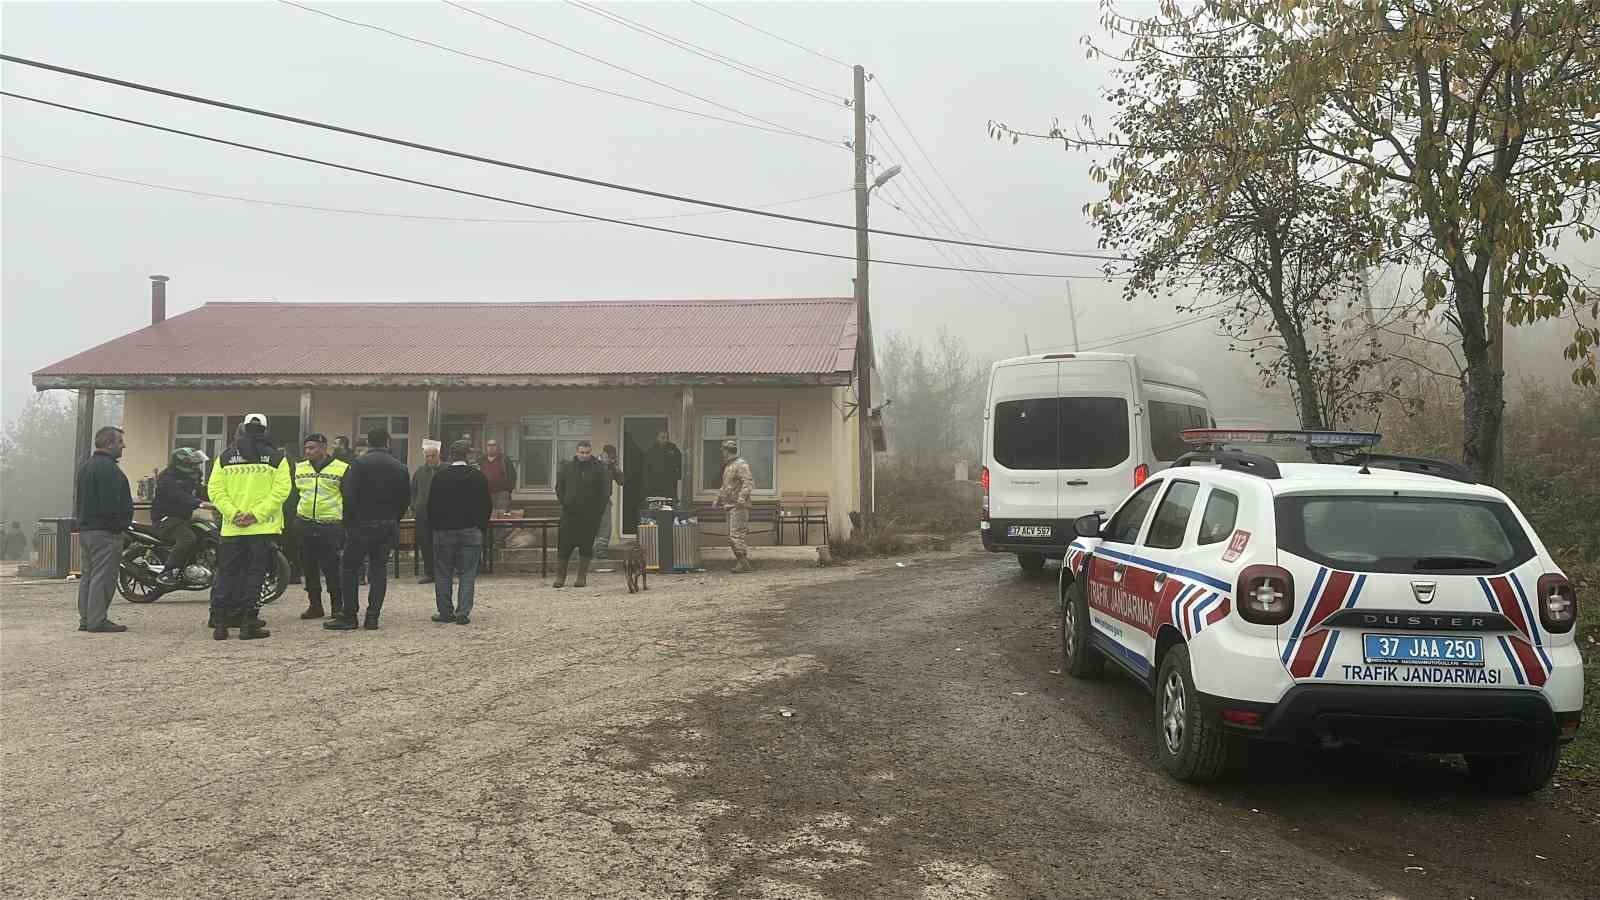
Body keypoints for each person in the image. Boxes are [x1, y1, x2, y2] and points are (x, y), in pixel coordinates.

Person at [208, 414, 292, 641]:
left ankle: (221, 625)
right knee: (256, 576)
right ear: (265, 430)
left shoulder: (225, 457)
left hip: (232, 530)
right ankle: (248, 624)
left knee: (227, 574)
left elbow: (215, 491)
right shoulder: (276, 457)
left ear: (243, 429)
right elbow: (282, 491)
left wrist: (233, 514)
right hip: (262, 529)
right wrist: (255, 515)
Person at [328, 426, 409, 631]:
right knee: (379, 570)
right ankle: (372, 617)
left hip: (360, 525)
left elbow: (348, 495)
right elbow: (405, 499)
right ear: (388, 442)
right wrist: (393, 519)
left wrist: (348, 523)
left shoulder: (357, 464)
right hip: (386, 524)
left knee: (349, 569)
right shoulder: (400, 467)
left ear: (368, 443)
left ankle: (350, 615)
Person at [75, 426, 133, 633]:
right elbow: (110, 504)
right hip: (105, 532)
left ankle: (86, 618)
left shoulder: (87, 466)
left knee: (89, 576)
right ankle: (97, 620)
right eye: (119, 442)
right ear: (109, 444)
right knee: (104, 577)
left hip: (87, 530)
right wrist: (119, 527)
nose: (123, 445)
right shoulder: (109, 469)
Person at [427, 439, 491, 625]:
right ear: (468, 455)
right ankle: (463, 611)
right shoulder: (478, 477)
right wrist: (480, 526)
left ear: (450, 455)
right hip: (471, 531)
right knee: (468, 573)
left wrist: (435, 527)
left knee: (443, 573)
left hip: (444, 532)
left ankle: (445, 612)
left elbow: (431, 506)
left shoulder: (440, 477)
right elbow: (486, 505)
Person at [292, 433, 349, 620]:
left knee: (332, 567)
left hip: (330, 525)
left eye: (312, 448)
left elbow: (348, 497)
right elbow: (293, 496)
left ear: (323, 449)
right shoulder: (299, 468)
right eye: (306, 448)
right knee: (308, 567)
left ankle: (336, 606)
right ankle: (315, 605)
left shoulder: (341, 468)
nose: (307, 452)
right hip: (305, 523)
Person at [552, 440, 609, 588]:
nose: (584, 455)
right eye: (582, 452)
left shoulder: (599, 469)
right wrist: (565, 502)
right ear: (576, 452)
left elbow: (605, 491)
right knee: (564, 545)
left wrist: (598, 512)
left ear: (591, 452)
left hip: (590, 516)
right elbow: (559, 487)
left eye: (587, 453)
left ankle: (581, 577)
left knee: (586, 546)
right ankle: (560, 577)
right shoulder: (567, 468)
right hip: (569, 514)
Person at [152, 447, 212, 587]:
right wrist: (200, 504)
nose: (196, 467)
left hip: (183, 519)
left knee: (205, 531)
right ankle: (168, 572)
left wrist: (222, 497)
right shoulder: (167, 478)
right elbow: (180, 496)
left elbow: (202, 491)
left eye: (197, 464)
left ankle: (194, 567)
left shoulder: (190, 478)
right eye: (193, 464)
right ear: (183, 464)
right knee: (187, 538)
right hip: (166, 519)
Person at [714, 439, 754, 574]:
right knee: (734, 536)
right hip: (729, 505)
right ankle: (742, 561)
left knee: (736, 536)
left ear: (727, 450)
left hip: (738, 505)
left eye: (723, 450)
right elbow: (726, 486)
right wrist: (718, 498)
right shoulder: (728, 466)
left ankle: (743, 563)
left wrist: (742, 498)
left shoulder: (741, 464)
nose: (722, 453)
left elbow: (748, 482)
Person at [411, 440, 442, 584]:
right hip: (423, 514)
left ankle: (442, 573)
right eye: (427, 456)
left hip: (441, 515)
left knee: (441, 545)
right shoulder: (420, 471)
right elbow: (413, 490)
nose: (429, 459)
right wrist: (414, 506)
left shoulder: (445, 470)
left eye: (432, 456)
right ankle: (429, 572)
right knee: (426, 543)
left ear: (438, 456)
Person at [591, 443, 625, 559]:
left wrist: (615, 467)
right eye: (610, 456)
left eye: (613, 457)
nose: (611, 459)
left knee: (606, 526)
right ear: (604, 454)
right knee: (593, 525)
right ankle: (589, 550)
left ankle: (601, 551)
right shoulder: (594, 464)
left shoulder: (611, 466)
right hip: (592, 500)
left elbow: (621, 481)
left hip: (605, 500)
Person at [641, 431, 683, 501]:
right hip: (655, 484)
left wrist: (678, 475)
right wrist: (647, 485)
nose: (665, 440)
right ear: (657, 438)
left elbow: (680, 463)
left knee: (670, 504)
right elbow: (645, 470)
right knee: (656, 505)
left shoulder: (673, 449)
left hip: (669, 484)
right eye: (663, 438)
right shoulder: (651, 451)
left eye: (667, 438)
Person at [480, 438, 517, 511]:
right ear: (486, 447)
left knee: (501, 516)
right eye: (489, 445)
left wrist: (508, 490)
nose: (491, 447)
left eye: (494, 445)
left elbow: (513, 476)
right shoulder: (481, 460)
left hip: (502, 494)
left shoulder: (504, 459)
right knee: (487, 515)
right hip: (486, 494)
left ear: (498, 447)